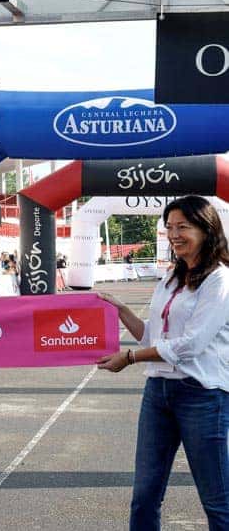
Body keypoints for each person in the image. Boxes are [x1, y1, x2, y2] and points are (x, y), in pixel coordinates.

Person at [97, 195, 229, 530]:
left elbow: (192, 345)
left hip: (203, 395)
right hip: (158, 393)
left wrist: (129, 358)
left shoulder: (220, 280)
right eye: (169, 227)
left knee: (217, 501)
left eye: (183, 227)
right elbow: (153, 337)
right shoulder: (171, 278)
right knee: (144, 496)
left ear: (207, 229)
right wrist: (120, 309)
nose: (174, 234)